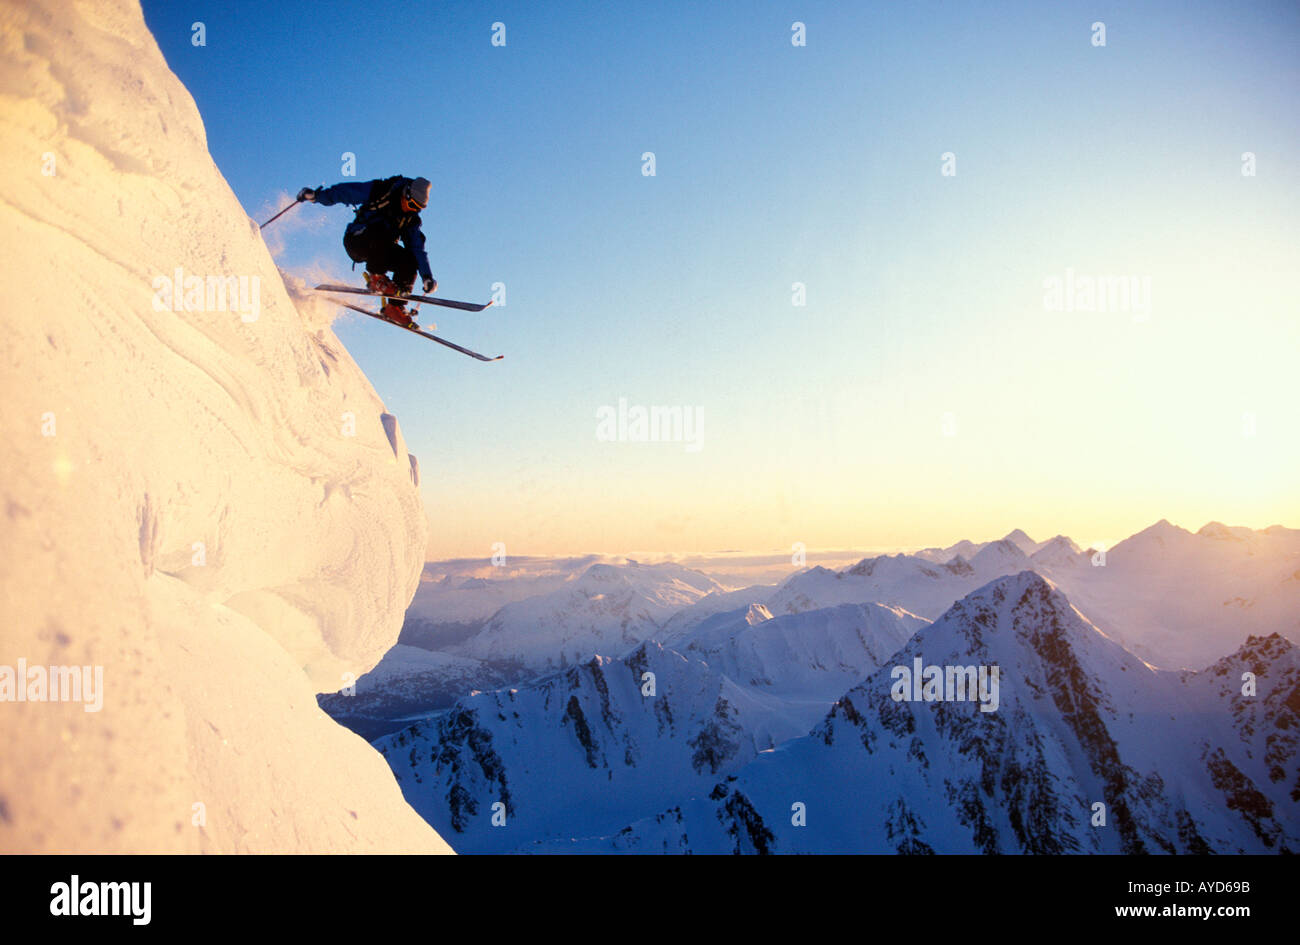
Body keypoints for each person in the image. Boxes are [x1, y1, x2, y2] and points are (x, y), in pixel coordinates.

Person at [298, 175, 436, 326]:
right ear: (406, 193)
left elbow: (417, 249)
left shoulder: (410, 219)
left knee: (409, 261)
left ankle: (395, 307)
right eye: (412, 204)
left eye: (418, 208)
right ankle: (377, 278)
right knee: (381, 229)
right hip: (358, 240)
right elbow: (347, 192)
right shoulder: (382, 191)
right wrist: (317, 196)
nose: (412, 209)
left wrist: (427, 277)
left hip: (380, 251)